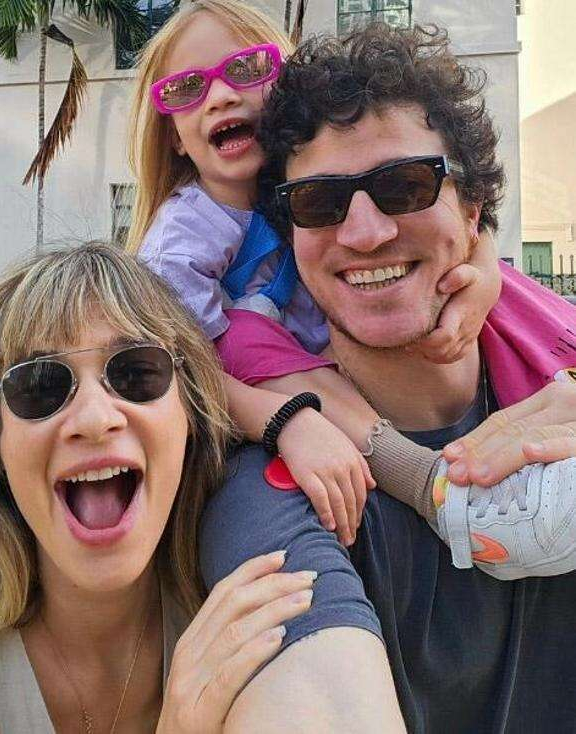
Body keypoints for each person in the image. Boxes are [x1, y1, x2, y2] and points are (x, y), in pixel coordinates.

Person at [200, 25, 576, 733]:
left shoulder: (555, 382)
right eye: (320, 202)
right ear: (292, 239)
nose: (365, 232)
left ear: (472, 210)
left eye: (405, 186)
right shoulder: (288, 488)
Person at [0, 244, 318, 733]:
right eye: (39, 386)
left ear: (189, 417)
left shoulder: (245, 628)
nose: (95, 420)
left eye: (136, 372)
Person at [126, 0, 503, 549]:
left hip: (344, 376)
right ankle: (427, 484)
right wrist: (286, 420)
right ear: (175, 139)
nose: (221, 95)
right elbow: (180, 367)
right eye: (186, 89)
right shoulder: (182, 238)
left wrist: (486, 276)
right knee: (244, 336)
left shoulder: (297, 188)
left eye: (246, 68)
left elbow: (463, 213)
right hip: (256, 398)